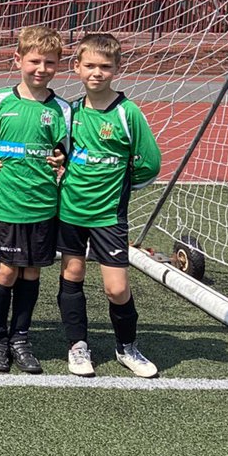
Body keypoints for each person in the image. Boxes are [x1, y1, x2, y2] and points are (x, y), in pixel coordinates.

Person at [56, 33, 164, 379]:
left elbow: (150, 163)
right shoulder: (69, 112)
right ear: (77, 67)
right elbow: (59, 154)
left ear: (117, 68)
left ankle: (127, 347)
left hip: (108, 215)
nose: (97, 73)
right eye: (89, 65)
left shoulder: (127, 112)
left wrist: (120, 185)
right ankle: (77, 345)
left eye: (105, 66)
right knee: (72, 274)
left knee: (116, 288)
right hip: (71, 210)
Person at [0, 25, 71, 374]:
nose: (41, 69)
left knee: (31, 273)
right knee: (4, 273)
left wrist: (62, 157)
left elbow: (65, 149)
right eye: (34, 60)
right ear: (18, 59)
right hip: (6, 205)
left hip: (43, 206)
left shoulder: (62, 109)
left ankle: (21, 337)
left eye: (49, 62)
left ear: (58, 65)